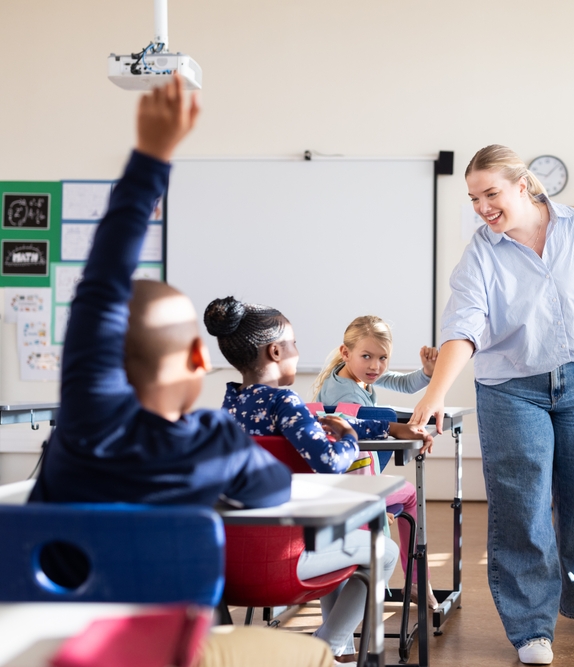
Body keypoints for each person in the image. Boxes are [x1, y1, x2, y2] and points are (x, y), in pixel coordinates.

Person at [28, 73, 333, 667]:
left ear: (101, 360)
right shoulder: (214, 444)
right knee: (313, 658)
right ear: (201, 358)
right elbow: (271, 489)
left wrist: (150, 154)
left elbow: (101, 282)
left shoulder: (83, 424)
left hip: (50, 642)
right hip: (162, 651)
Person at [408, 144, 574, 665]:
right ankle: (531, 626)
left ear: (524, 185)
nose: (482, 206)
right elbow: (462, 329)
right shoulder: (481, 253)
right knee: (523, 507)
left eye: (491, 193)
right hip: (510, 388)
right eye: (473, 197)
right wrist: (435, 394)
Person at [204, 296, 431, 663]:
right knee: (382, 553)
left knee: (339, 542)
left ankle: (333, 647)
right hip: (285, 557)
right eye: (293, 344)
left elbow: (321, 421)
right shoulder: (284, 403)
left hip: (231, 563)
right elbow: (330, 461)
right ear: (276, 351)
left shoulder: (231, 405)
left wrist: (385, 426)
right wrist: (349, 440)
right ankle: (324, 646)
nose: (298, 350)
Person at [313, 314, 440, 607]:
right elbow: (361, 433)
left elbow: (403, 383)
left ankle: (417, 582)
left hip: (346, 481)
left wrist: (427, 372)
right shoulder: (346, 393)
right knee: (410, 495)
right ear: (346, 352)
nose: (376, 366)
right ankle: (418, 582)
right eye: (367, 356)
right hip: (352, 486)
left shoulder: (355, 374)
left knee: (402, 492)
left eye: (383, 358)